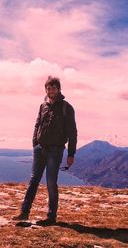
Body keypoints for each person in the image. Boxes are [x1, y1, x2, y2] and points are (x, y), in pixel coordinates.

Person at [13, 76, 78, 225]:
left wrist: (71, 154)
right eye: (48, 88)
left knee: (50, 182)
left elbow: (72, 132)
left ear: (59, 89)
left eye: (53, 88)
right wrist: (35, 142)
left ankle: (51, 217)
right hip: (40, 149)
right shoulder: (43, 106)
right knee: (33, 180)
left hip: (55, 151)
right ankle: (24, 212)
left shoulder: (66, 108)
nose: (51, 91)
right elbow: (37, 125)